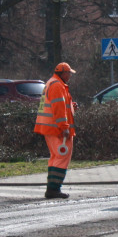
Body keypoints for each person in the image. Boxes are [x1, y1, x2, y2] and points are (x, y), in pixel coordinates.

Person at [34, 62, 77, 199]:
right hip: (57, 129)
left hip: (50, 127)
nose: (70, 75)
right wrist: (64, 127)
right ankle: (54, 189)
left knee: (55, 157)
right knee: (62, 157)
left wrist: (71, 106)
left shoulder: (52, 83)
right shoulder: (57, 85)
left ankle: (52, 188)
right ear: (63, 73)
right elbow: (58, 109)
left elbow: (60, 106)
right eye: (69, 73)